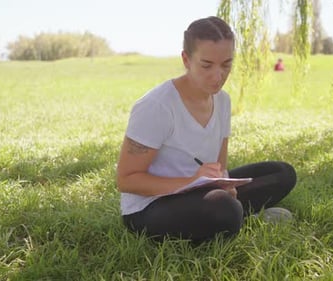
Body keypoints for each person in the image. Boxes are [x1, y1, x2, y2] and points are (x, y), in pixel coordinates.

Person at [116, 16, 297, 243]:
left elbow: (219, 165)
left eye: (226, 64)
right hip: (149, 206)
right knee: (225, 209)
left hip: (200, 193)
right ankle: (236, 214)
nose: (218, 76)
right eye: (206, 65)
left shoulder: (222, 101)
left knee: (282, 173)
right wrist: (191, 183)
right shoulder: (156, 106)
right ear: (186, 59)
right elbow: (126, 180)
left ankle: (233, 212)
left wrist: (225, 183)